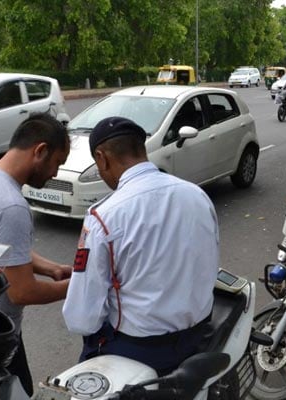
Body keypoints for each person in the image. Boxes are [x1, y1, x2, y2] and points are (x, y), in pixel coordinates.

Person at [62, 116, 219, 376]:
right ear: (140, 149)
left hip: (139, 348)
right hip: (197, 334)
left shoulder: (103, 215)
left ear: (102, 158)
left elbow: (81, 317)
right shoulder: (197, 195)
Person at [0, 113, 72, 396]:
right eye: (57, 162)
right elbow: (21, 293)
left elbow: (2, 251)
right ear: (40, 151)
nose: (55, 173)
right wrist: (75, 287)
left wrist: (51, 269)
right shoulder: (11, 206)